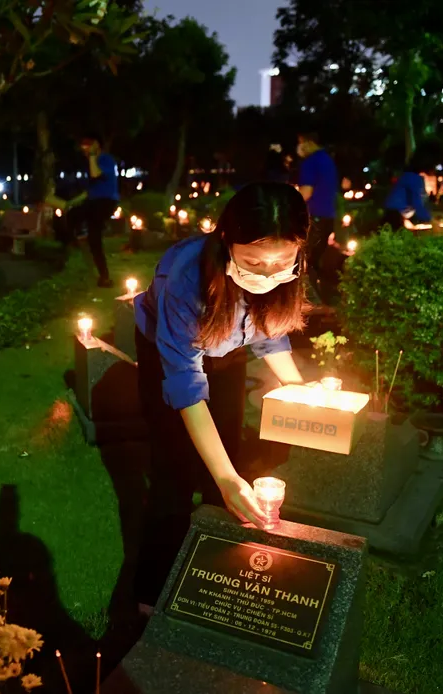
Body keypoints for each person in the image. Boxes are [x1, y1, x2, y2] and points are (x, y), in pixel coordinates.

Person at [132, 182, 310, 607]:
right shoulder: (187, 278)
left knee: (227, 448)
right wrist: (227, 477)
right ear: (227, 241)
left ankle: (216, 574)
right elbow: (185, 385)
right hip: (169, 353)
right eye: (253, 261)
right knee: (174, 467)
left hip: (226, 350)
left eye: (281, 261)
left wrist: (302, 392)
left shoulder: (287, 270)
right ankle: (150, 596)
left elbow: (270, 335)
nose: (267, 274)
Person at [66, 133, 120, 288]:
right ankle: (76, 240)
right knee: (73, 215)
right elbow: (88, 192)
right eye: (83, 147)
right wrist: (69, 203)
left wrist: (92, 156)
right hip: (93, 202)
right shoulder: (92, 163)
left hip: (106, 201)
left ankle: (104, 276)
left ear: (96, 144)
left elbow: (96, 174)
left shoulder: (105, 160)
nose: (84, 150)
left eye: (88, 146)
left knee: (94, 235)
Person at [295, 132, 338, 301]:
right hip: (328, 217)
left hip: (314, 216)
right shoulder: (327, 160)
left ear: (309, 142)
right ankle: (324, 297)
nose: (299, 147)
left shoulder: (311, 162)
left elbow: (305, 193)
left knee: (306, 262)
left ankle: (311, 302)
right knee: (316, 259)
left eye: (301, 142)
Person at [383, 163, 433, 232]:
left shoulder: (404, 177)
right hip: (398, 212)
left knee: (387, 235)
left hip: (390, 209)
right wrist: (426, 218)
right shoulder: (415, 179)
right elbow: (416, 200)